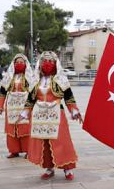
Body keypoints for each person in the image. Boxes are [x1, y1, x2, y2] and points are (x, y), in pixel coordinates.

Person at [18, 51, 82, 180]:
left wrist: (74, 110)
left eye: (50, 61)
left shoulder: (61, 80)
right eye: (45, 61)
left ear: (56, 64)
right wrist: (25, 112)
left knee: (62, 141)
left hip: (57, 112)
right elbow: (31, 99)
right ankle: (49, 168)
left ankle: (67, 168)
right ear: (40, 64)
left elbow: (69, 97)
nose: (47, 64)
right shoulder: (36, 81)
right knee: (44, 141)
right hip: (40, 114)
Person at [0, 54, 37, 158]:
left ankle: (28, 150)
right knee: (11, 129)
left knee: (26, 128)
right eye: (17, 62)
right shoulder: (9, 77)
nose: (19, 64)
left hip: (25, 105)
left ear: (25, 64)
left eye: (21, 62)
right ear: (13, 64)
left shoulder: (30, 78)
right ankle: (14, 150)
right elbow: (2, 91)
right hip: (11, 106)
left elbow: (35, 92)